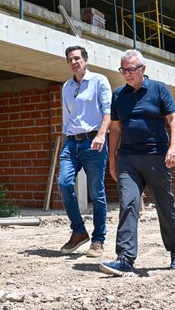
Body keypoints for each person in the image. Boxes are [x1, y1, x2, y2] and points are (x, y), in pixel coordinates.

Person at [99, 49, 175, 276]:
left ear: (143, 69)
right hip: (128, 158)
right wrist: (112, 160)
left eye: (130, 69)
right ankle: (125, 258)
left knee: (165, 206)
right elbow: (115, 128)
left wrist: (173, 147)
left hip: (157, 157)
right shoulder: (119, 95)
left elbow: (174, 119)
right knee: (128, 204)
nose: (126, 73)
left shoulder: (158, 89)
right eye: (123, 69)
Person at [57, 46, 112, 257]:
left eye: (77, 58)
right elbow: (67, 117)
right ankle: (79, 231)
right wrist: (66, 139)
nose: (74, 62)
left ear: (86, 60)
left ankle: (98, 240)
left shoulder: (99, 81)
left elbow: (107, 111)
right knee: (64, 183)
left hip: (93, 141)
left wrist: (101, 134)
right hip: (72, 142)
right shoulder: (66, 86)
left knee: (97, 193)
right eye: (70, 59)